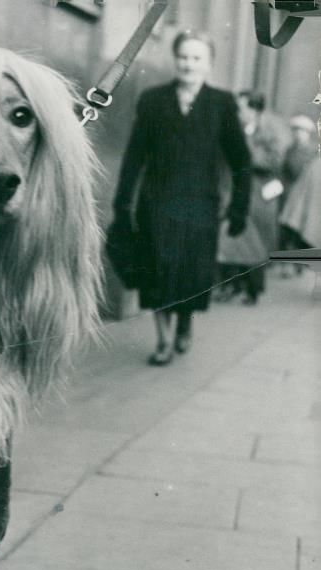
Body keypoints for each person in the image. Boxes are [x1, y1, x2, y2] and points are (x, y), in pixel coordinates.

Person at [112, 29, 251, 365]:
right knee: (158, 270)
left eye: (197, 58)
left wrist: (238, 208)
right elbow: (134, 157)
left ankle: (184, 324)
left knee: (190, 274)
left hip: (200, 206)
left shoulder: (221, 104)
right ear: (175, 60)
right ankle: (162, 341)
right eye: (184, 57)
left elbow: (240, 160)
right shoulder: (153, 101)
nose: (189, 64)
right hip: (157, 203)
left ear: (209, 64)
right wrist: (123, 203)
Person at [217, 92, 287, 305]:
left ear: (254, 110)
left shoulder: (269, 132)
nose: (239, 113)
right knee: (231, 238)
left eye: (243, 108)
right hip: (236, 191)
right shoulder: (233, 128)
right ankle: (231, 285)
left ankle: (253, 289)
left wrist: (245, 147)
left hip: (259, 195)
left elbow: (274, 161)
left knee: (255, 243)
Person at [279, 115, 318, 269]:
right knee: (289, 228)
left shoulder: (313, 152)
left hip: (307, 196)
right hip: (289, 192)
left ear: (308, 133)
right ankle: (290, 262)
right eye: (295, 131)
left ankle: (301, 262)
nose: (298, 134)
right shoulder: (290, 150)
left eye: (301, 131)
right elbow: (283, 170)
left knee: (304, 227)